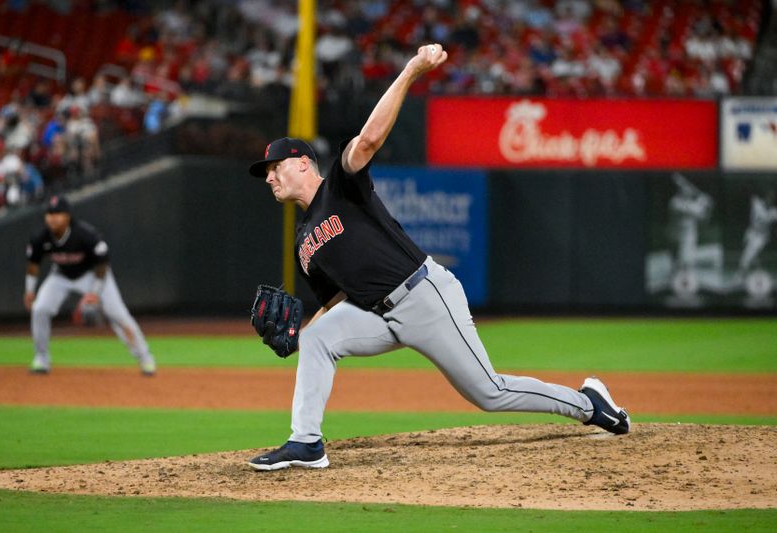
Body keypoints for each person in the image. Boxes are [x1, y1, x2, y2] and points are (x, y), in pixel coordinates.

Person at [246, 44, 630, 472]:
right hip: (375, 315)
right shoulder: (304, 243)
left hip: (422, 295)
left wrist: (411, 69)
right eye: (265, 172)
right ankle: (306, 442)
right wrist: (301, 334)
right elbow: (336, 299)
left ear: (302, 163)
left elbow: (370, 138)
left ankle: (588, 404)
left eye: (274, 166)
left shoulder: (339, 183)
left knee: (490, 392)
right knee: (319, 341)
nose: (269, 176)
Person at [24, 195, 157, 376]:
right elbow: (33, 264)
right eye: (49, 213)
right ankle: (41, 359)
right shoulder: (40, 238)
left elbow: (102, 265)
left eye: (58, 213)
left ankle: (145, 358)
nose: (53, 217)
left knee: (117, 314)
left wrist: (94, 292)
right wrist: (30, 290)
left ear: (68, 216)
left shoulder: (85, 235)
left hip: (93, 275)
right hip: (60, 275)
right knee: (40, 309)